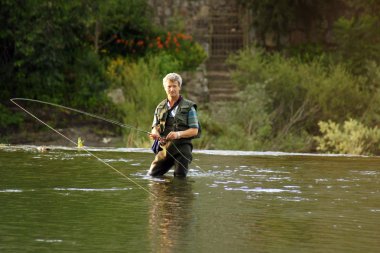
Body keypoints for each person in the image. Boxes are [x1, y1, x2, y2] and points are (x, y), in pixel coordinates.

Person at [148, 73, 200, 177]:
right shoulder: (160, 107)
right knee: (152, 175)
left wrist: (177, 134)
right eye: (169, 86)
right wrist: (155, 134)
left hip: (183, 150)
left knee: (180, 180)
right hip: (165, 149)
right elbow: (154, 127)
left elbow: (194, 130)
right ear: (165, 88)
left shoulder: (189, 107)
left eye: (174, 86)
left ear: (179, 87)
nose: (172, 89)